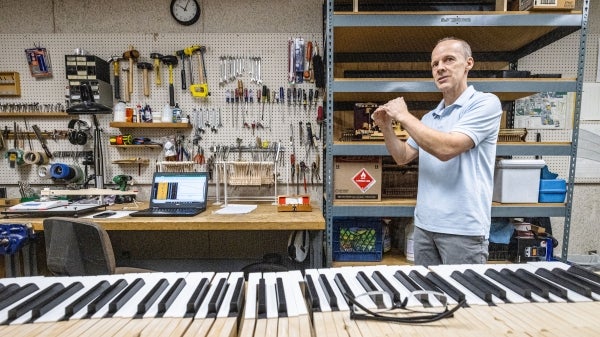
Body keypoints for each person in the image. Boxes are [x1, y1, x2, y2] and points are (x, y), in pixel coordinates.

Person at [372, 37, 502, 266]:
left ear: (468, 63)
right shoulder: (429, 119)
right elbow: (402, 156)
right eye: (435, 64)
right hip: (424, 228)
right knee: (427, 298)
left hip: (463, 231)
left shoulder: (485, 104)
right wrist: (386, 128)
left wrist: (403, 116)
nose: (440, 67)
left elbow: (446, 148)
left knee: (464, 299)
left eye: (449, 60)